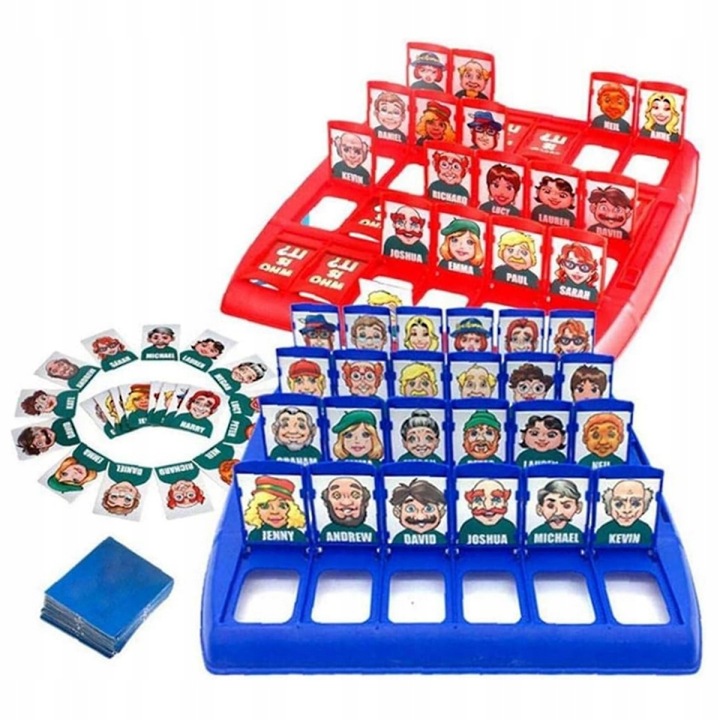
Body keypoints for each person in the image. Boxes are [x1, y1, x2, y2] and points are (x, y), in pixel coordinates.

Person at [243, 475, 307, 543]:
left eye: (282, 506)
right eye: (265, 506)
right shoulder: (256, 534)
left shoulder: (297, 535)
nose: (275, 512)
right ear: (256, 510)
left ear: (292, 510)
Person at [595, 479, 654, 546]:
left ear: (644, 505)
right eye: (619, 504)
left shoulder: (645, 530)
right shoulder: (604, 531)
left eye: (635, 504)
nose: (627, 510)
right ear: (609, 505)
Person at [458, 479, 516, 545]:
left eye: (496, 500)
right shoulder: (467, 527)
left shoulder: (509, 527)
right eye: (479, 500)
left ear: (505, 504)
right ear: (470, 505)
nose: (488, 507)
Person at [320, 476, 377, 543]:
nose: (346, 503)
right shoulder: (326, 532)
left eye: (355, 495)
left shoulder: (370, 532)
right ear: (326, 502)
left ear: (365, 502)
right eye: (336, 495)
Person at [527, 479, 584, 545]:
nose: (558, 513)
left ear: (578, 507)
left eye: (567, 506)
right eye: (550, 506)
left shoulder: (578, 534)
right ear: (539, 509)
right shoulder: (535, 534)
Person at [390, 478, 447, 545]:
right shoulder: (399, 538)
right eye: (410, 509)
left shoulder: (440, 538)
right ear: (398, 512)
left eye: (429, 509)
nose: (420, 517)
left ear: (441, 511)